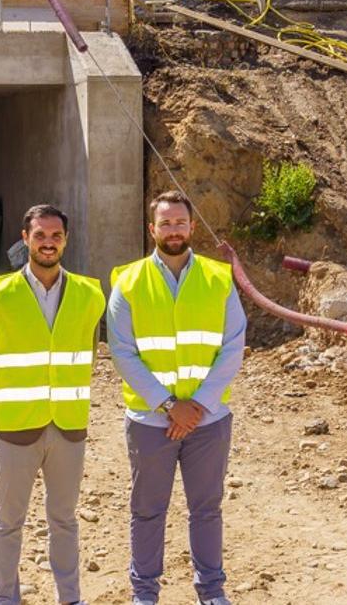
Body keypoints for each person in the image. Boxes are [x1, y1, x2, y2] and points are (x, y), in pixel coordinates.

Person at [107, 191, 246, 605]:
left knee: (207, 510)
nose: (173, 230)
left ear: (192, 227)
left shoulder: (218, 279)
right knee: (148, 512)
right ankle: (144, 594)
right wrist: (171, 405)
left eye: (179, 223)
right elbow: (122, 351)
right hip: (152, 421)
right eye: (165, 223)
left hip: (209, 421)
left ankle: (211, 592)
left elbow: (233, 345)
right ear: (152, 230)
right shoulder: (128, 282)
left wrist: (198, 405)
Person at [0, 203, 106, 605]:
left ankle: (70, 598)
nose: (48, 243)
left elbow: (88, 353)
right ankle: (6, 598)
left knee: (65, 520)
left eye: (55, 236)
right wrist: (19, 397)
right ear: (25, 239)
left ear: (65, 240)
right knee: (9, 521)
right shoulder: (0, 294)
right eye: (40, 236)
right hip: (18, 426)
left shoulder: (88, 294)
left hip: (68, 426)